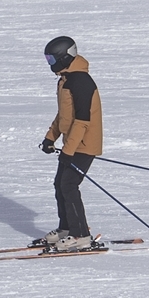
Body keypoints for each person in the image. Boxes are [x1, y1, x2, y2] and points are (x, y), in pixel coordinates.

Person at [36, 36, 103, 252]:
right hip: (71, 144)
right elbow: (64, 116)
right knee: (60, 184)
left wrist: (69, 149)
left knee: (69, 185)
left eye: (51, 59)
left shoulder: (81, 82)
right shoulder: (65, 79)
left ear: (65, 57)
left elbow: (83, 120)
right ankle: (66, 229)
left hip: (84, 144)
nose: (50, 63)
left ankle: (81, 234)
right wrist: (50, 138)